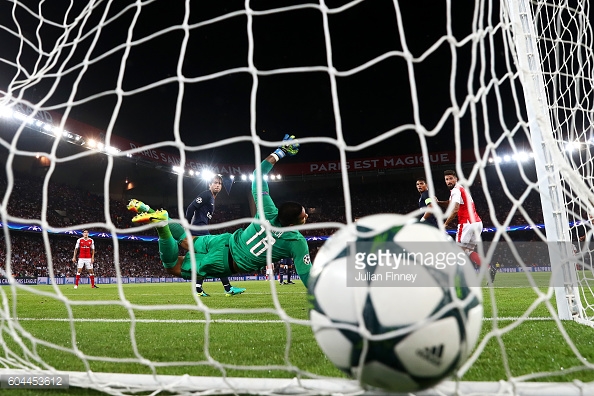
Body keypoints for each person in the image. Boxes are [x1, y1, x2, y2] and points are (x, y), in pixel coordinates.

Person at [128, 134, 312, 288]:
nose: (307, 216)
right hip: (226, 262)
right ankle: (161, 225)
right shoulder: (296, 241)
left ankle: (150, 210)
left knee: (186, 239)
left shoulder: (268, 209)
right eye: (304, 216)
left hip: (224, 240)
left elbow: (258, 175)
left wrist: (280, 152)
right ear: (290, 224)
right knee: (173, 267)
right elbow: (306, 275)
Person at [183, 174, 245, 297]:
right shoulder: (206, 194)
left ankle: (198, 289)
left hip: (201, 231)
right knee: (219, 255)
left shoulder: (212, 198)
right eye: (215, 183)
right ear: (209, 184)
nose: (217, 185)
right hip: (199, 231)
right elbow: (190, 208)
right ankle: (228, 288)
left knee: (207, 261)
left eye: (219, 183)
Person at [435, 170, 483, 267]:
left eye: (451, 179)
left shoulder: (455, 191)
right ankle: (489, 268)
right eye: (446, 179)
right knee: (467, 251)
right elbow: (450, 203)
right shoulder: (460, 189)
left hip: (466, 223)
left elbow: (455, 209)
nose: (449, 181)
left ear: (456, 179)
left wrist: (445, 224)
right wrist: (438, 202)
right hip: (477, 223)